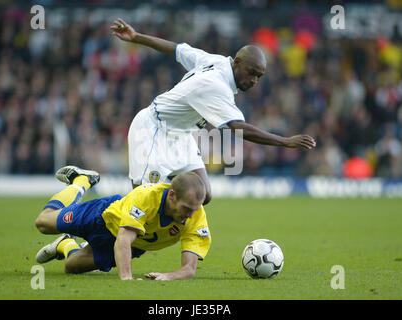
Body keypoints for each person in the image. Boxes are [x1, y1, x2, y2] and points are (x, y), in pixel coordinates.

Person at [110, 18, 317, 205]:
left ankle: (170, 223)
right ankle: (106, 230)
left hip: (180, 134)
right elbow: (238, 128)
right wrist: (285, 141)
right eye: (251, 73)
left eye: (259, 77)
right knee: (141, 204)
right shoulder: (216, 85)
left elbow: (176, 49)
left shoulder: (217, 61)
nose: (254, 81)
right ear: (237, 63)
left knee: (203, 193)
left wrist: (136, 37)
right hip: (153, 129)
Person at [34, 165, 211, 280]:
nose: (190, 215)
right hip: (102, 217)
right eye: (186, 208)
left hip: (134, 246)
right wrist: (127, 278)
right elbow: (124, 238)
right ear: (171, 195)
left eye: (195, 209)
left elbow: (189, 269)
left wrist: (167, 276)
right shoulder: (146, 197)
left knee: (71, 266)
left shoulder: (196, 216)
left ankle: (65, 243)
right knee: (43, 223)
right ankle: (81, 181)